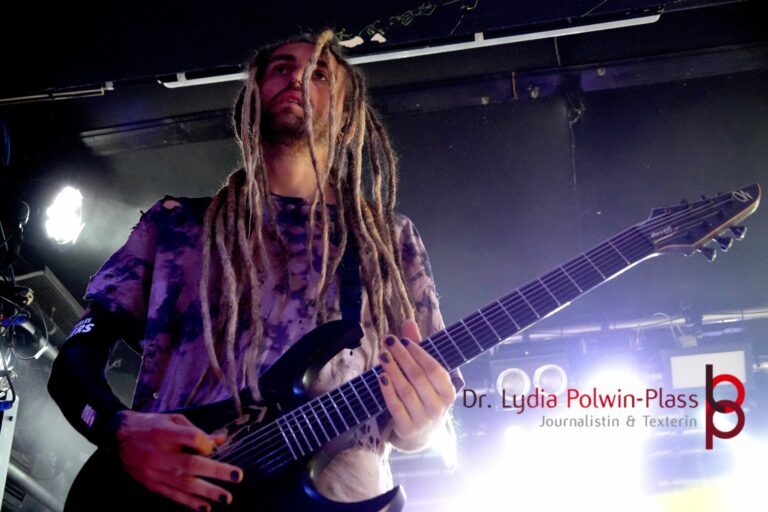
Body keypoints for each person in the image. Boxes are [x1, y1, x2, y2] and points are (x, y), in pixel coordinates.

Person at [48, 30, 462, 511]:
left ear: (348, 120)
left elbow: (422, 410)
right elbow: (78, 352)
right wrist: (115, 427)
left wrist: (423, 425)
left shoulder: (388, 240)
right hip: (170, 496)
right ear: (251, 99)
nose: (297, 77)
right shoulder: (177, 225)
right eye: (281, 68)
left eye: (320, 74)